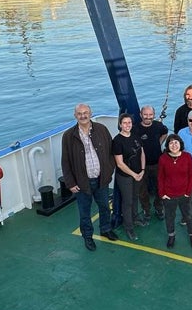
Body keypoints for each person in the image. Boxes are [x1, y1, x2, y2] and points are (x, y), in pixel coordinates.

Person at [60, 103, 117, 251]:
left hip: (101, 179)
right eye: (80, 113)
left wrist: (109, 171)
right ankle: (88, 236)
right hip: (81, 182)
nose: (83, 116)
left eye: (86, 113)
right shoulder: (68, 136)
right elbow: (65, 162)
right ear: (75, 116)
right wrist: (70, 183)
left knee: (105, 207)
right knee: (84, 212)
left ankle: (105, 229)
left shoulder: (101, 130)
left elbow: (111, 152)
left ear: (91, 114)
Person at [157, 133, 192, 249]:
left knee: (188, 216)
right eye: (171, 143)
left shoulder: (187, 157)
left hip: (184, 194)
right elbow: (160, 177)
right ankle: (171, 235)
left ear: (180, 144)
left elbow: (191, 175)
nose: (174, 145)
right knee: (169, 217)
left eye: (176, 142)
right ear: (167, 145)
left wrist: (188, 192)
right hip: (169, 196)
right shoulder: (163, 158)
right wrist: (162, 194)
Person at [111, 113, 145, 242]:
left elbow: (142, 153)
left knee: (135, 197)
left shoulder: (135, 136)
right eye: (124, 123)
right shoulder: (117, 141)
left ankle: (135, 218)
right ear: (120, 124)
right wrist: (134, 174)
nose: (127, 125)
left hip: (138, 174)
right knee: (128, 201)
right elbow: (119, 163)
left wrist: (142, 170)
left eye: (129, 122)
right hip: (125, 176)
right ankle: (129, 227)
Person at [132, 105, 169, 221]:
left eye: (150, 115)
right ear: (140, 115)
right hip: (141, 166)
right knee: (142, 190)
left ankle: (159, 207)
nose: (148, 117)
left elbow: (165, 133)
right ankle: (146, 209)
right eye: (145, 115)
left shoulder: (158, 126)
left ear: (154, 115)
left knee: (160, 188)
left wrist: (159, 143)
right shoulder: (135, 129)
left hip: (157, 163)